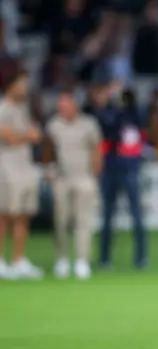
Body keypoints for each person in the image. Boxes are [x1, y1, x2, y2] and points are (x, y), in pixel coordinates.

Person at [85, 79, 147, 270]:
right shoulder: (102, 113)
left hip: (129, 166)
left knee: (136, 214)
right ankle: (105, 258)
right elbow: (104, 126)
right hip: (110, 167)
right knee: (107, 216)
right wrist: (105, 102)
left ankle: (140, 258)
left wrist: (128, 99)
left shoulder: (131, 112)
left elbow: (139, 121)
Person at [45, 90, 103, 279]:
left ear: (74, 106)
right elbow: (49, 149)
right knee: (61, 221)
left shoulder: (89, 124)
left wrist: (94, 173)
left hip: (84, 177)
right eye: (60, 106)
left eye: (66, 105)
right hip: (62, 177)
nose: (62, 109)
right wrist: (49, 169)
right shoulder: (54, 125)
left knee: (84, 221)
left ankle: (82, 260)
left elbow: (96, 149)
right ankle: (61, 258)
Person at [0, 70, 44, 279]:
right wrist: (28, 135)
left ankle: (18, 260)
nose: (25, 88)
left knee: (23, 215)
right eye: (22, 84)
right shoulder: (4, 108)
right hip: (7, 168)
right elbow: (7, 137)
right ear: (11, 85)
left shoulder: (23, 109)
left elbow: (36, 135)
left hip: (25, 167)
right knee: (4, 215)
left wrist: (26, 136)